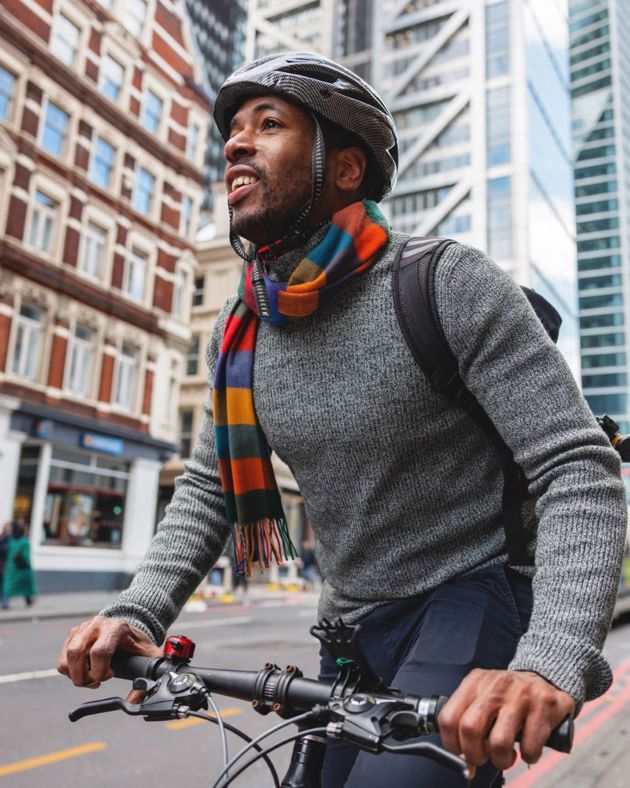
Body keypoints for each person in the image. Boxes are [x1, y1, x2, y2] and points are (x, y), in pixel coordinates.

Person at [58, 53, 627, 786]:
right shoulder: (242, 333)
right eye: (233, 129)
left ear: (347, 169)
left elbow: (577, 468)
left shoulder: (445, 284)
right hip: (352, 624)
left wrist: (549, 662)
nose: (235, 143)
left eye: (269, 124)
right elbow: (210, 488)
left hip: (473, 594)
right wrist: (139, 609)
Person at [1, 521, 35, 609]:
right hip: (22, 568)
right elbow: (26, 557)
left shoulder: (11, 540)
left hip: (11, 567)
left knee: (8, 585)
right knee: (25, 585)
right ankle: (28, 600)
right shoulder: (24, 541)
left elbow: (4, 552)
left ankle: (5, 602)